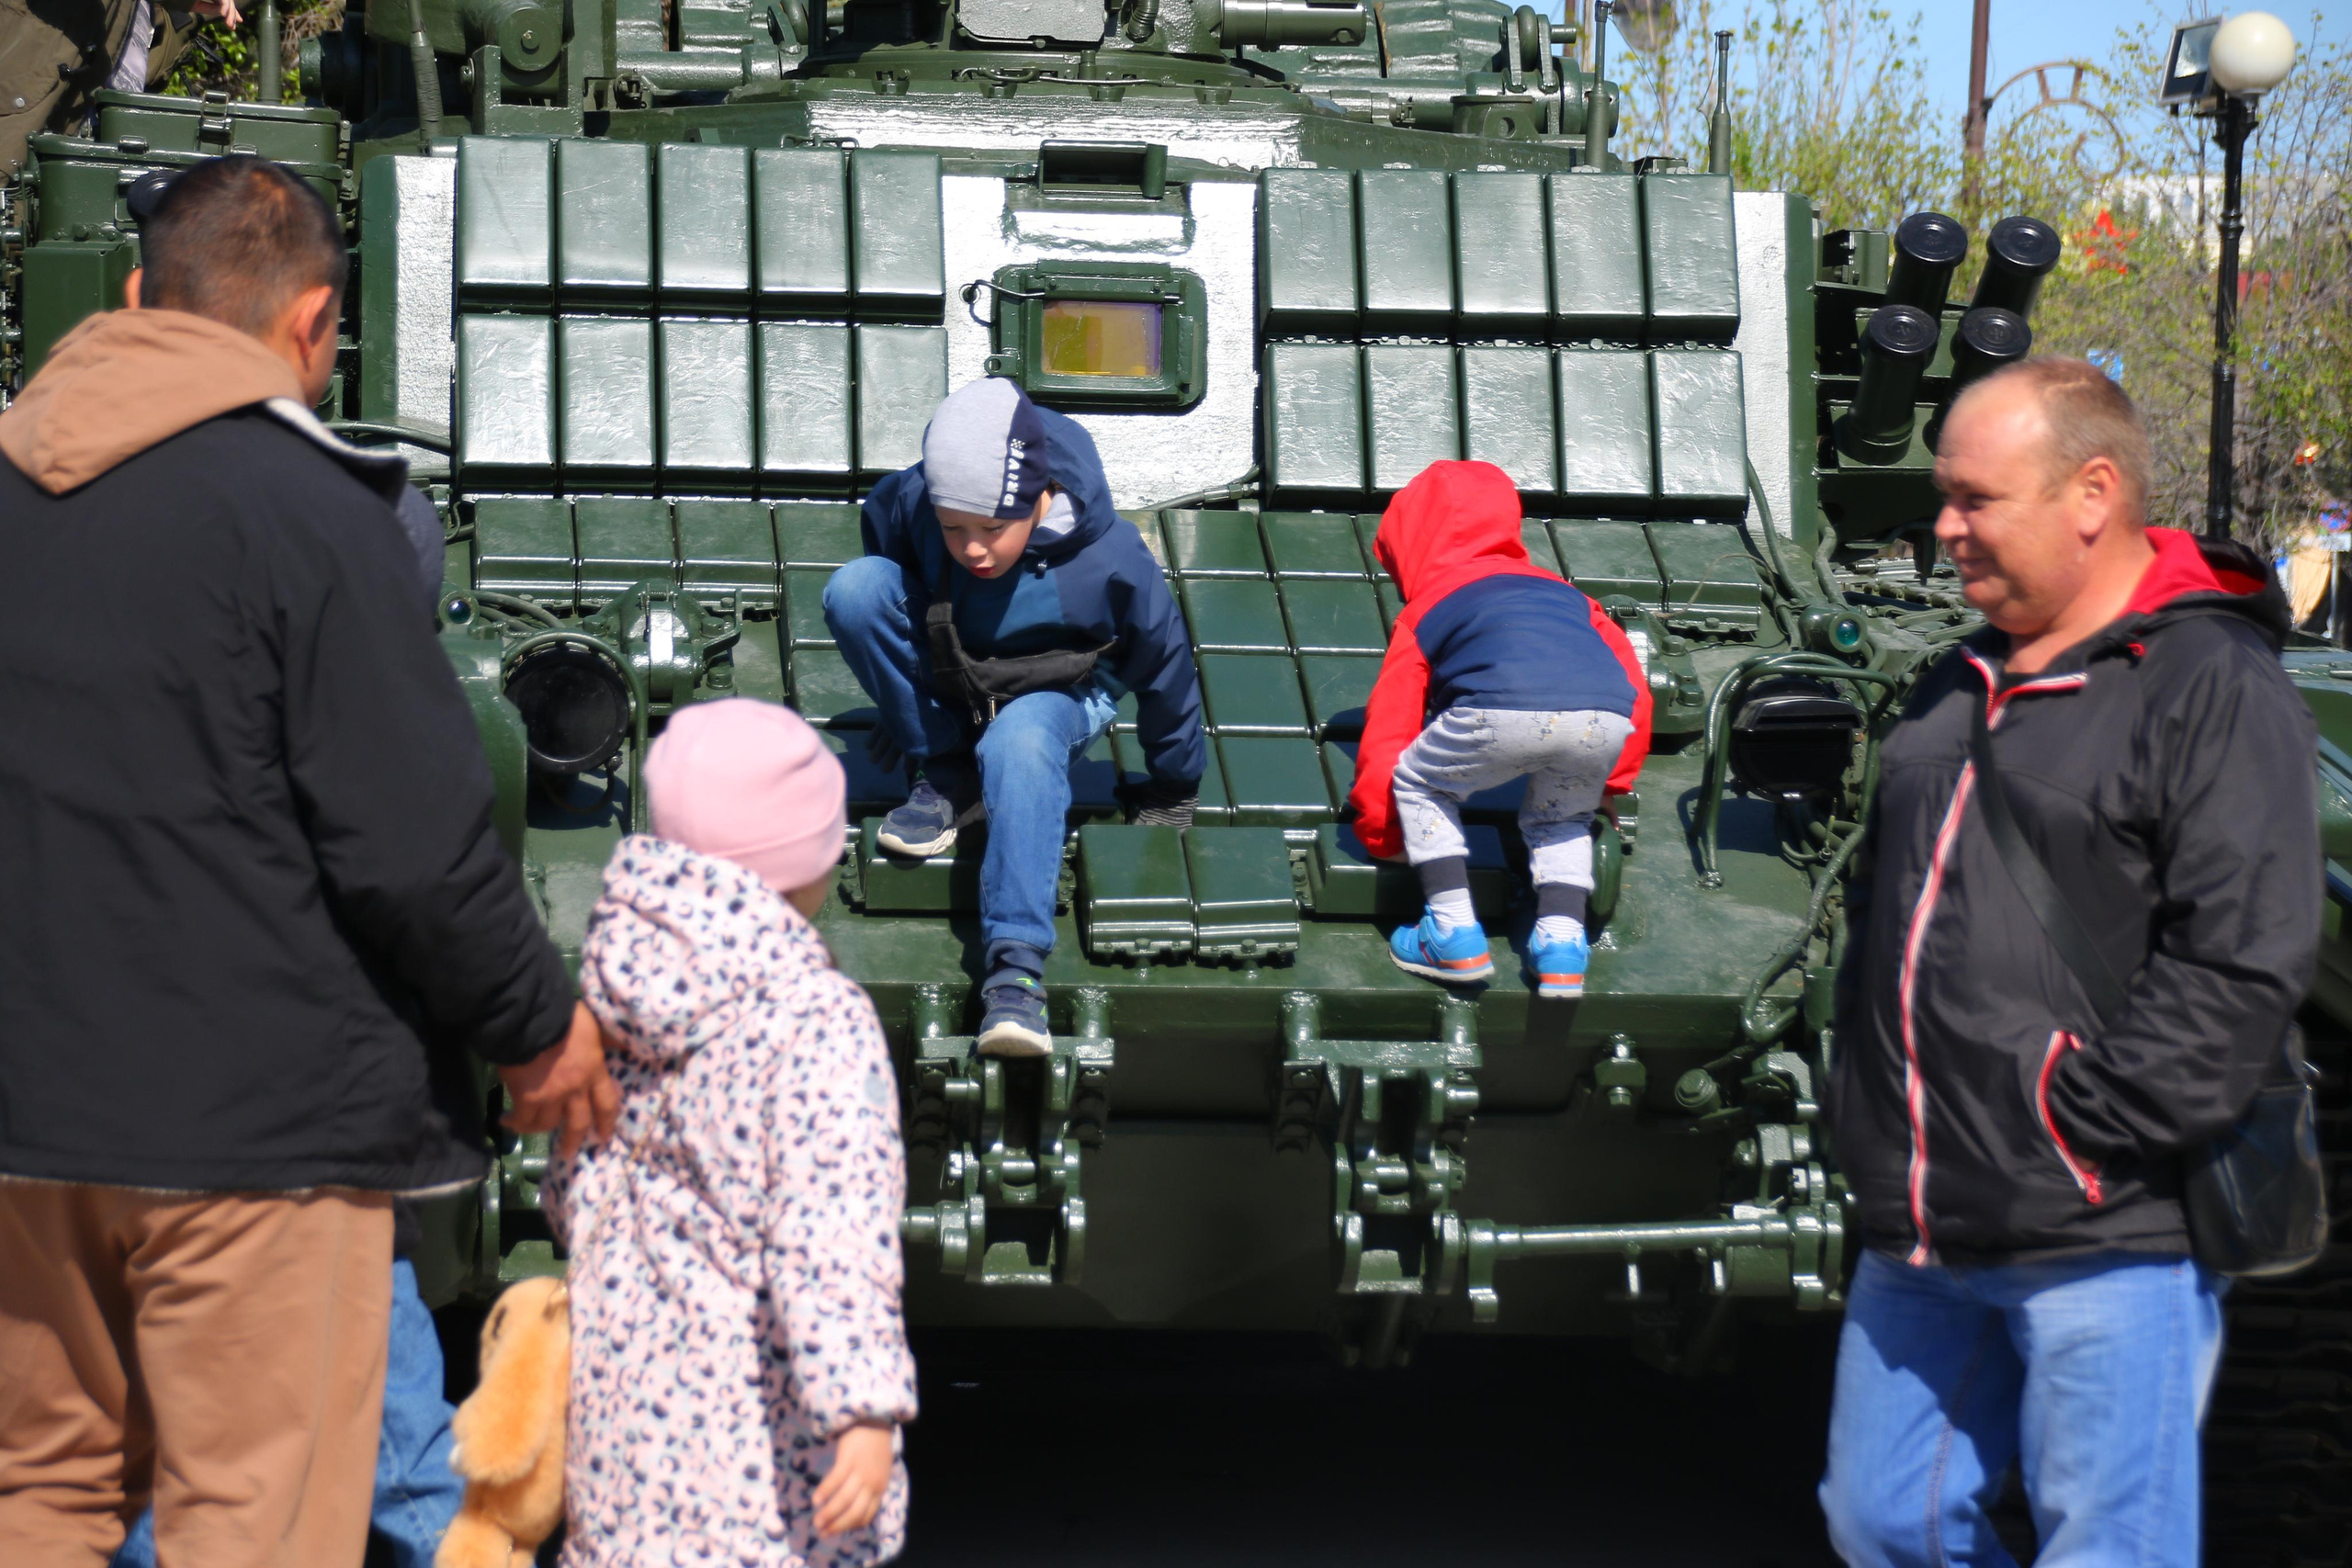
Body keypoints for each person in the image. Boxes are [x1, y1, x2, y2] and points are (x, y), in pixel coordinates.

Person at [0, 154, 615, 1568]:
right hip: (250, 1141)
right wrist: (537, 1027)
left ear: (141, 298)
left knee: (38, 1498)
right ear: (315, 325)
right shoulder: (314, 516)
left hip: (25, 1123)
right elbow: (413, 839)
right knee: (261, 1520)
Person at [1818, 358, 2319, 1565]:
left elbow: (2242, 958)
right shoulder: (1950, 683)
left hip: (2105, 1220)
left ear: (2092, 494)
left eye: (1975, 499)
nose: (1943, 527)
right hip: (1926, 1218)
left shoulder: (2205, 685)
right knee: (1881, 1519)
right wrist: (1869, 1112)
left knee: (2111, 1545)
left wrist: (2078, 1126)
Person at [544, 698, 919, 1568]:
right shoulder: (814, 1020)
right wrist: (860, 1405)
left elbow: (572, 1197)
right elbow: (832, 1228)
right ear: (807, 862)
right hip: (762, 1452)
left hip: (621, 1433)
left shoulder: (613, 999)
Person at [823, 377, 1204, 1055]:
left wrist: (1174, 783)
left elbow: (1166, 665)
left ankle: (1015, 974)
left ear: (1039, 498)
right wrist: (901, 693)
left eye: (993, 529)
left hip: (1062, 685)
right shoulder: (917, 498)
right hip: (961, 663)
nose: (972, 548)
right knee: (855, 588)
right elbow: (887, 544)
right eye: (954, 529)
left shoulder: (1109, 558)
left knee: (1020, 741)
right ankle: (945, 769)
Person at [1345, 460, 1650, 996]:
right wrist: (1612, 783)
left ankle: (1452, 931)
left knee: (1421, 783)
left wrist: (1381, 829)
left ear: (1409, 543)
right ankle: (1561, 948)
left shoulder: (1427, 608)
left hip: (1498, 710)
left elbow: (1390, 729)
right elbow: (1634, 688)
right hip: (1601, 720)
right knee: (1562, 819)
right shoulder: (1569, 595)